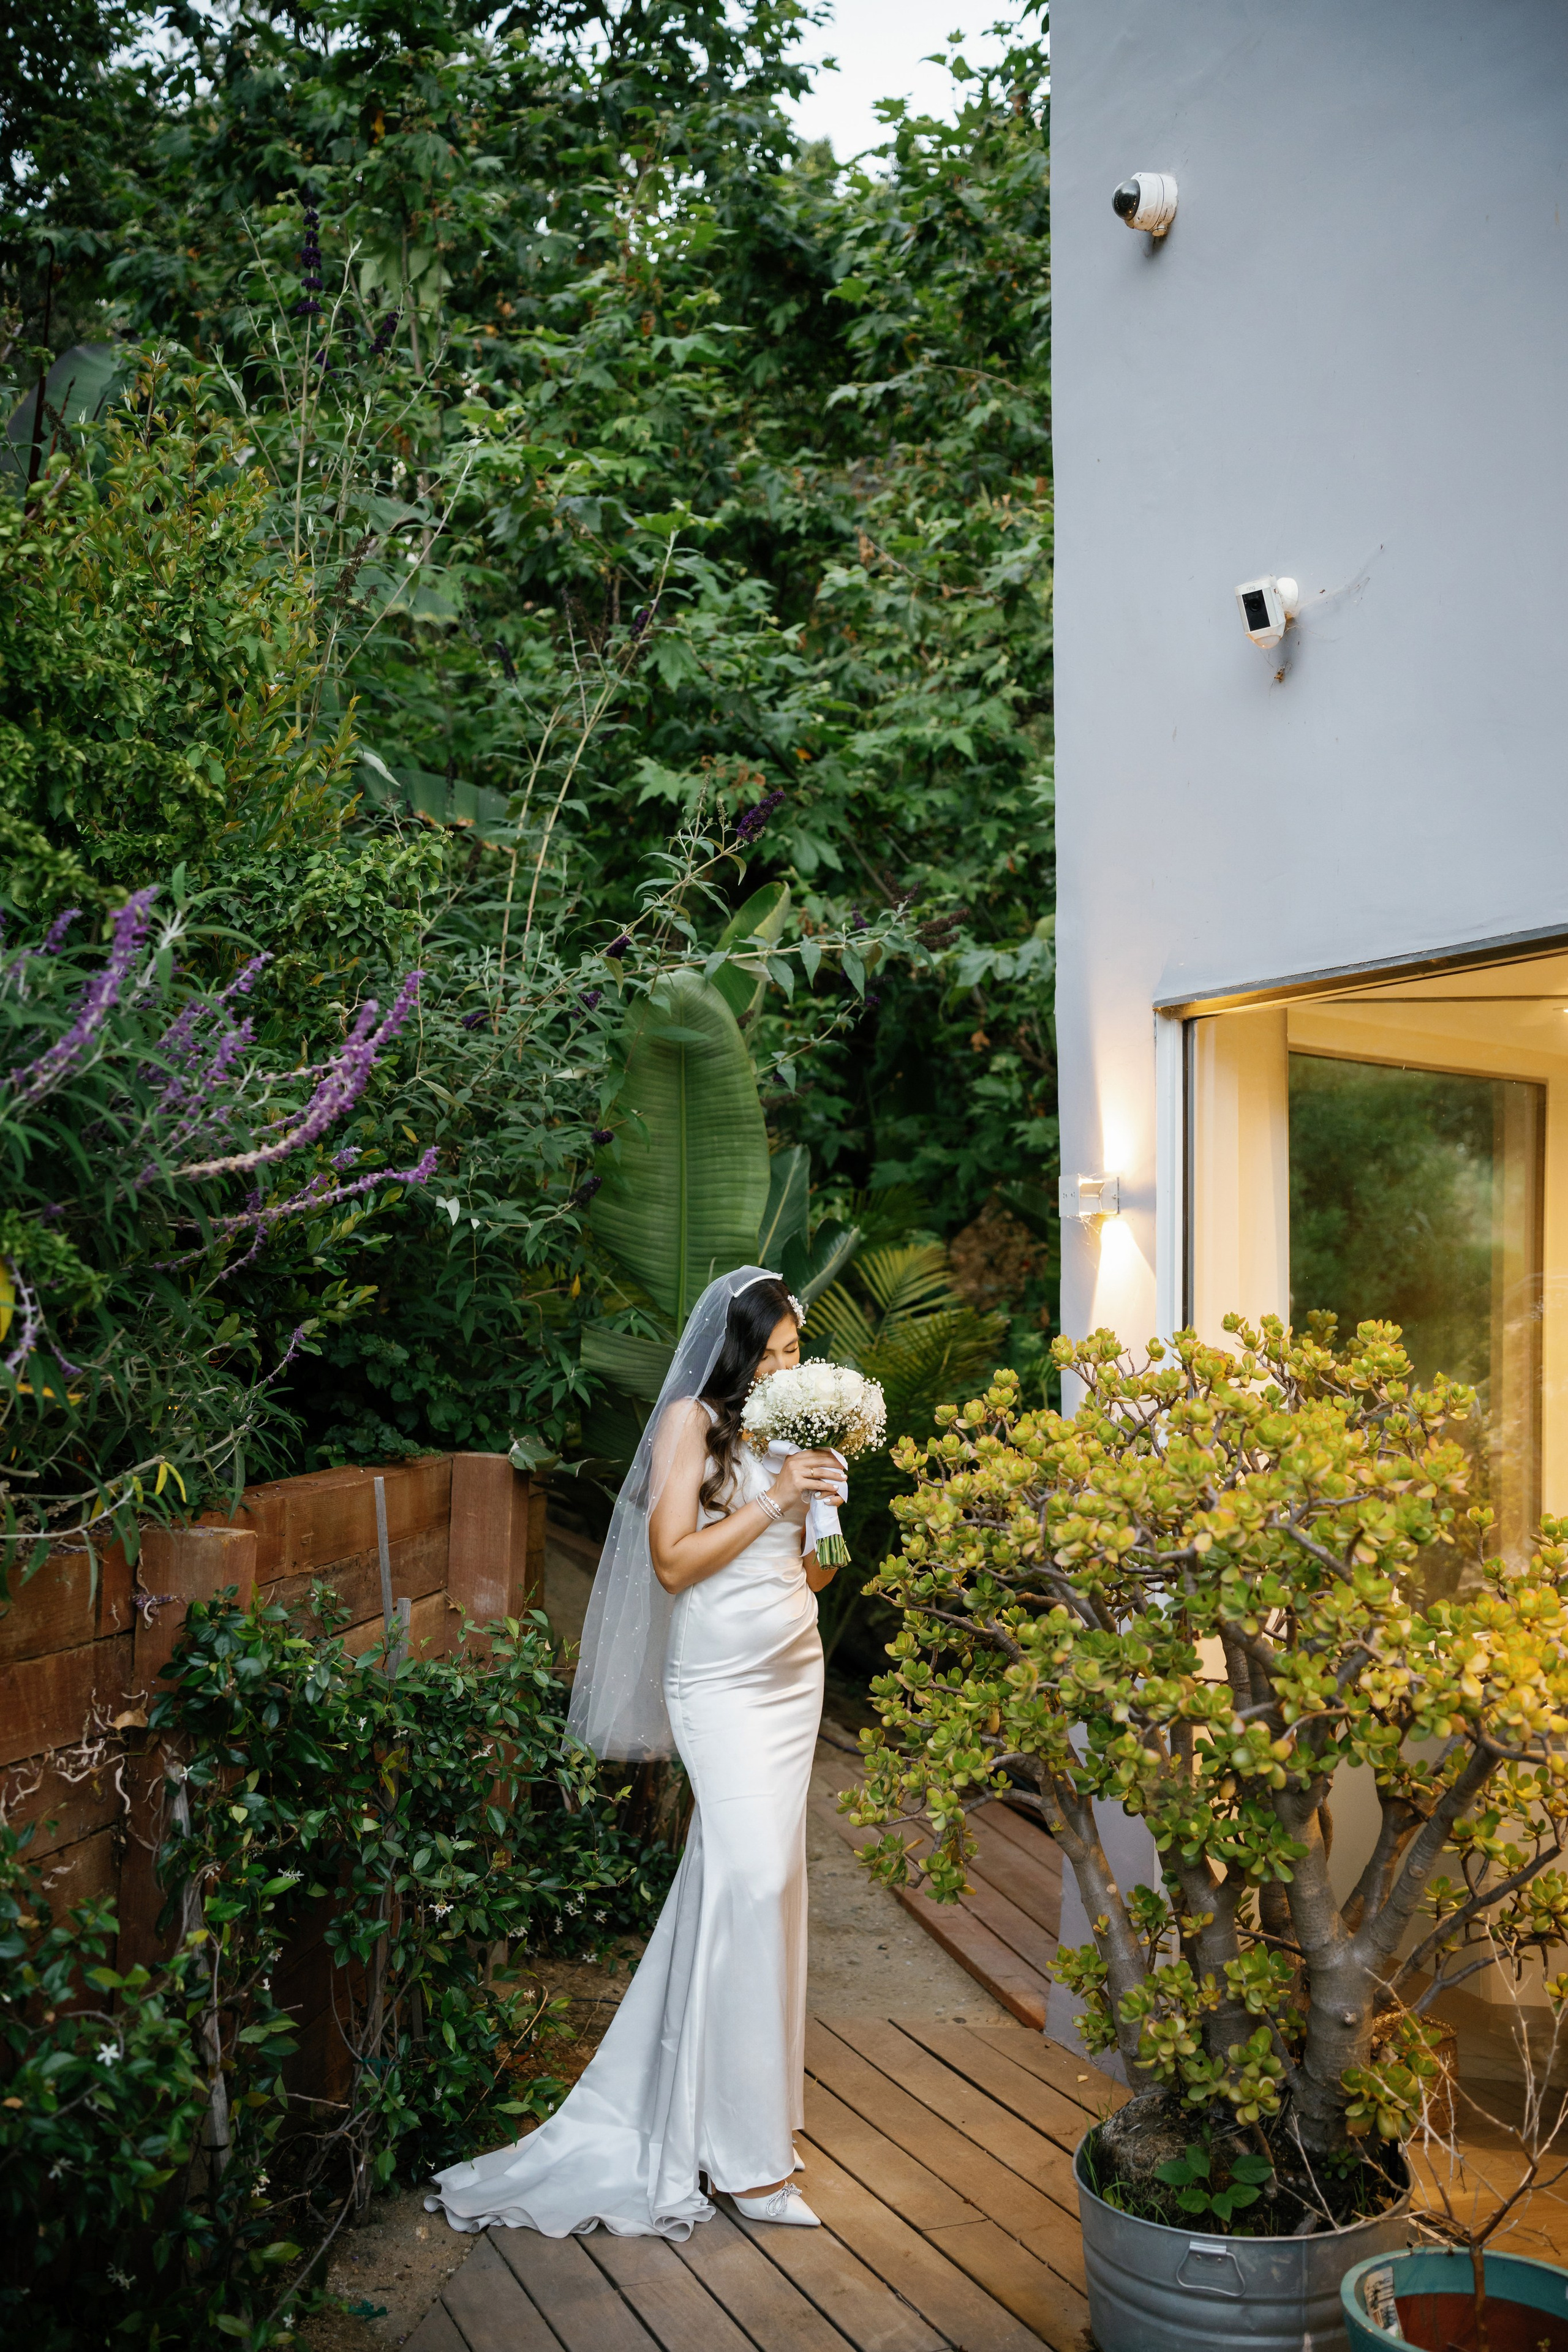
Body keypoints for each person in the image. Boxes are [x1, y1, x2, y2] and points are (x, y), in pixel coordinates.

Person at [427, 1265, 848, 2240]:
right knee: (745, 1883)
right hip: (718, 1686)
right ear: (739, 1351)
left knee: (765, 1887)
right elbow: (672, 1564)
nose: (791, 1368)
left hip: (794, 1674)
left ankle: (743, 2121)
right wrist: (775, 1499)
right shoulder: (689, 1427)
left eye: (799, 1354)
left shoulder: (795, 1431)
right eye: (777, 1354)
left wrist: (821, 1502)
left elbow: (819, 1574)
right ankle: (744, 2168)